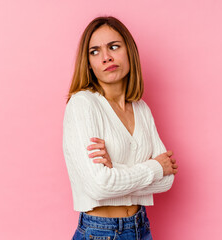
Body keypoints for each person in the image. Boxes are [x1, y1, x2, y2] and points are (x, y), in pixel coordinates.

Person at [63, 16, 178, 239]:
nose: (106, 57)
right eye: (94, 51)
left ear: (129, 52)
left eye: (113, 47)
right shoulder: (83, 104)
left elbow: (167, 180)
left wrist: (115, 169)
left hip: (141, 227)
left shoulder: (141, 109)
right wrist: (154, 167)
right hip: (100, 232)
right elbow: (99, 186)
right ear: (88, 63)